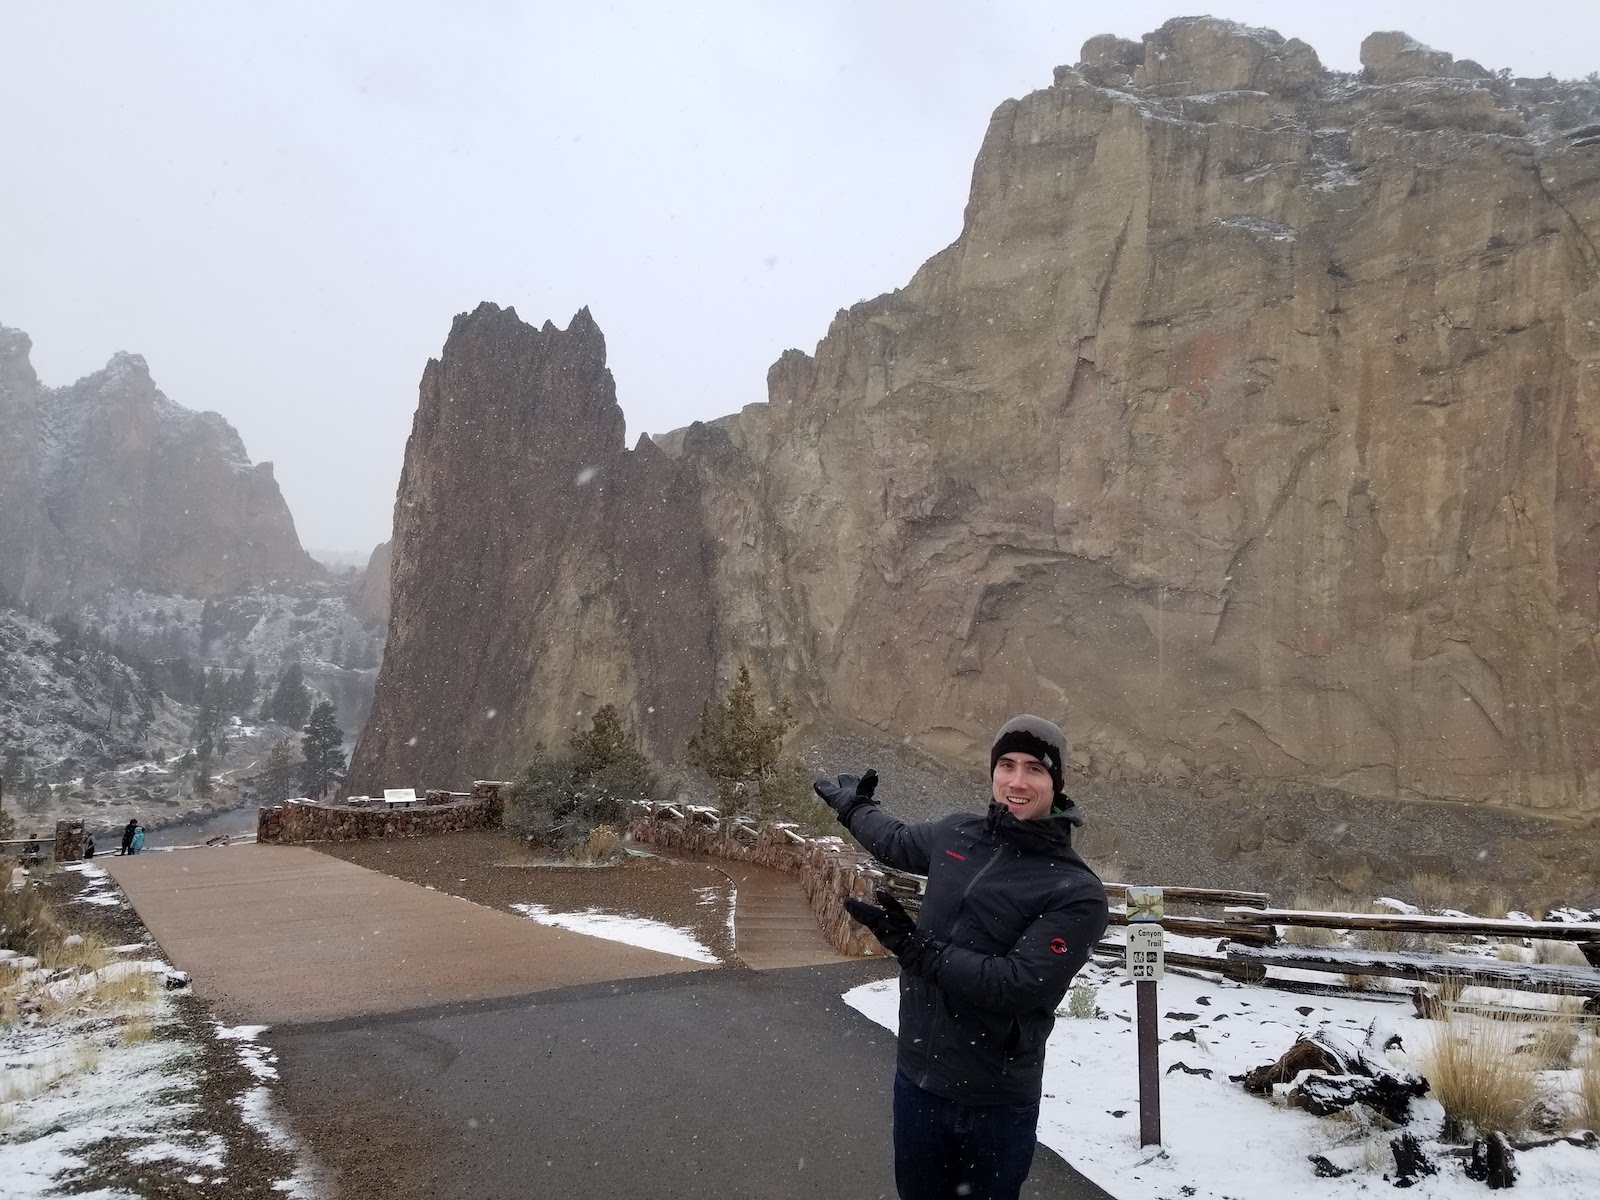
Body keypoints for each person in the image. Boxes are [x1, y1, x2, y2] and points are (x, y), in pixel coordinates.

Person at [814, 714, 1110, 1200]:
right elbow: (896, 841)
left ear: (1057, 783)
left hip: (994, 1102)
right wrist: (854, 808)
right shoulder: (957, 835)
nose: (1017, 781)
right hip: (918, 1082)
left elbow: (1017, 984)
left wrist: (917, 949)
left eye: (1035, 769)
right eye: (1007, 765)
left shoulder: (1076, 891)